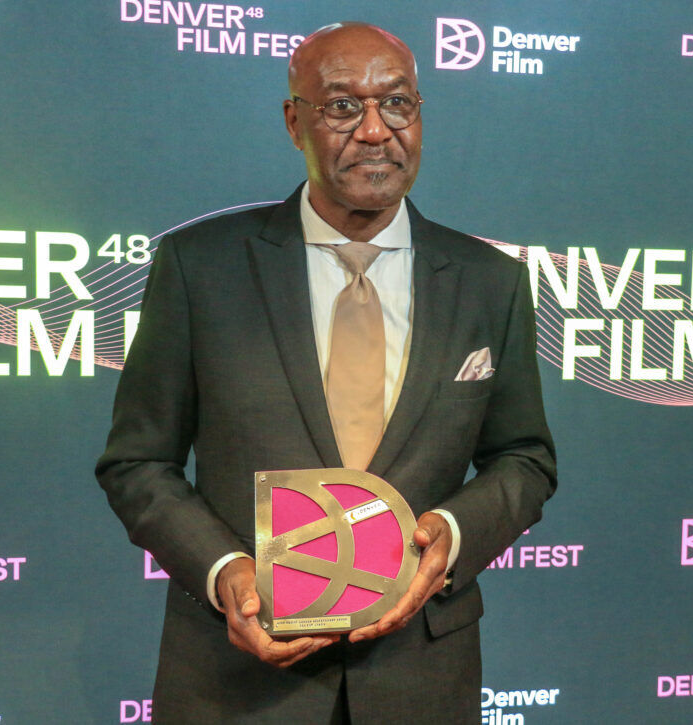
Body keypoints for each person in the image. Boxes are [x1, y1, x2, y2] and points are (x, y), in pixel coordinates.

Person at [96, 22, 556, 724]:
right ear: (294, 122)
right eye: (343, 106)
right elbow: (138, 462)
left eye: (397, 103)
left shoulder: (490, 282)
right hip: (237, 684)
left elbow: (525, 458)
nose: (375, 131)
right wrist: (228, 575)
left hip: (423, 681)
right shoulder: (201, 267)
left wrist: (450, 534)